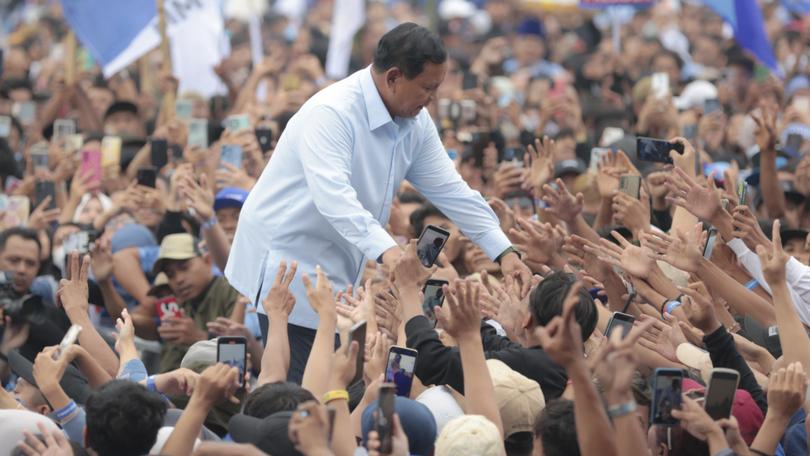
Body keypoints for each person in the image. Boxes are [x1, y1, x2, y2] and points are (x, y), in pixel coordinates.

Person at [227, 22, 531, 381]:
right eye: (428, 88)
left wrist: (504, 252)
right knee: (301, 390)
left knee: (332, 381)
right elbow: (334, 198)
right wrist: (390, 254)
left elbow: (453, 190)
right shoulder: (333, 112)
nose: (433, 99)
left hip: (343, 263)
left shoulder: (415, 120)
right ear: (394, 77)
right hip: (290, 259)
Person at [151, 233, 240, 372]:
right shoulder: (180, 306)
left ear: (208, 260)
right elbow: (169, 371)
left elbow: (238, 363)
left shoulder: (231, 290)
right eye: (170, 274)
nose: (178, 279)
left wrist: (200, 338)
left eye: (184, 267)